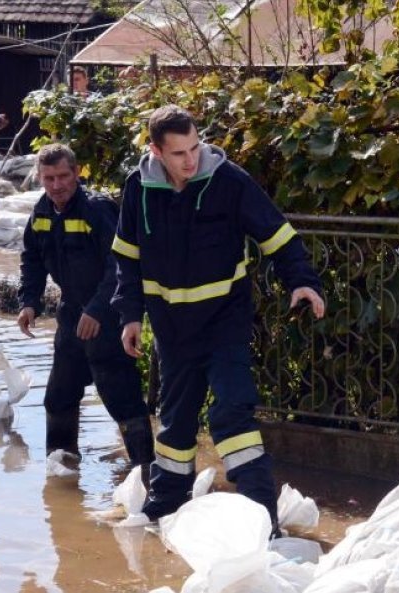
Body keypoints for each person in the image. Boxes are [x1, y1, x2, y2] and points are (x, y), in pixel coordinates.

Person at [111, 105, 325, 530]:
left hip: (224, 322)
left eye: (195, 147)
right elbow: (127, 258)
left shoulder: (229, 181)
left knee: (232, 413)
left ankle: (262, 519)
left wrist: (302, 282)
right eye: (179, 153)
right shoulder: (139, 187)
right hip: (172, 329)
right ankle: (165, 505)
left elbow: (277, 235)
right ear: (155, 151)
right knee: (175, 422)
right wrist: (130, 316)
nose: (191, 160)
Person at [17, 143, 153, 478]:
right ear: (40, 178)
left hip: (107, 316)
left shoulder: (96, 209)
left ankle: (145, 472)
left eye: (64, 176)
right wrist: (29, 301)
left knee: (121, 398)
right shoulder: (41, 212)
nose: (57, 185)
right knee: (58, 396)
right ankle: (62, 469)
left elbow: (119, 265)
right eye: (49, 178)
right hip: (71, 316)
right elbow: (31, 259)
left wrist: (97, 310)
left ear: (77, 174)